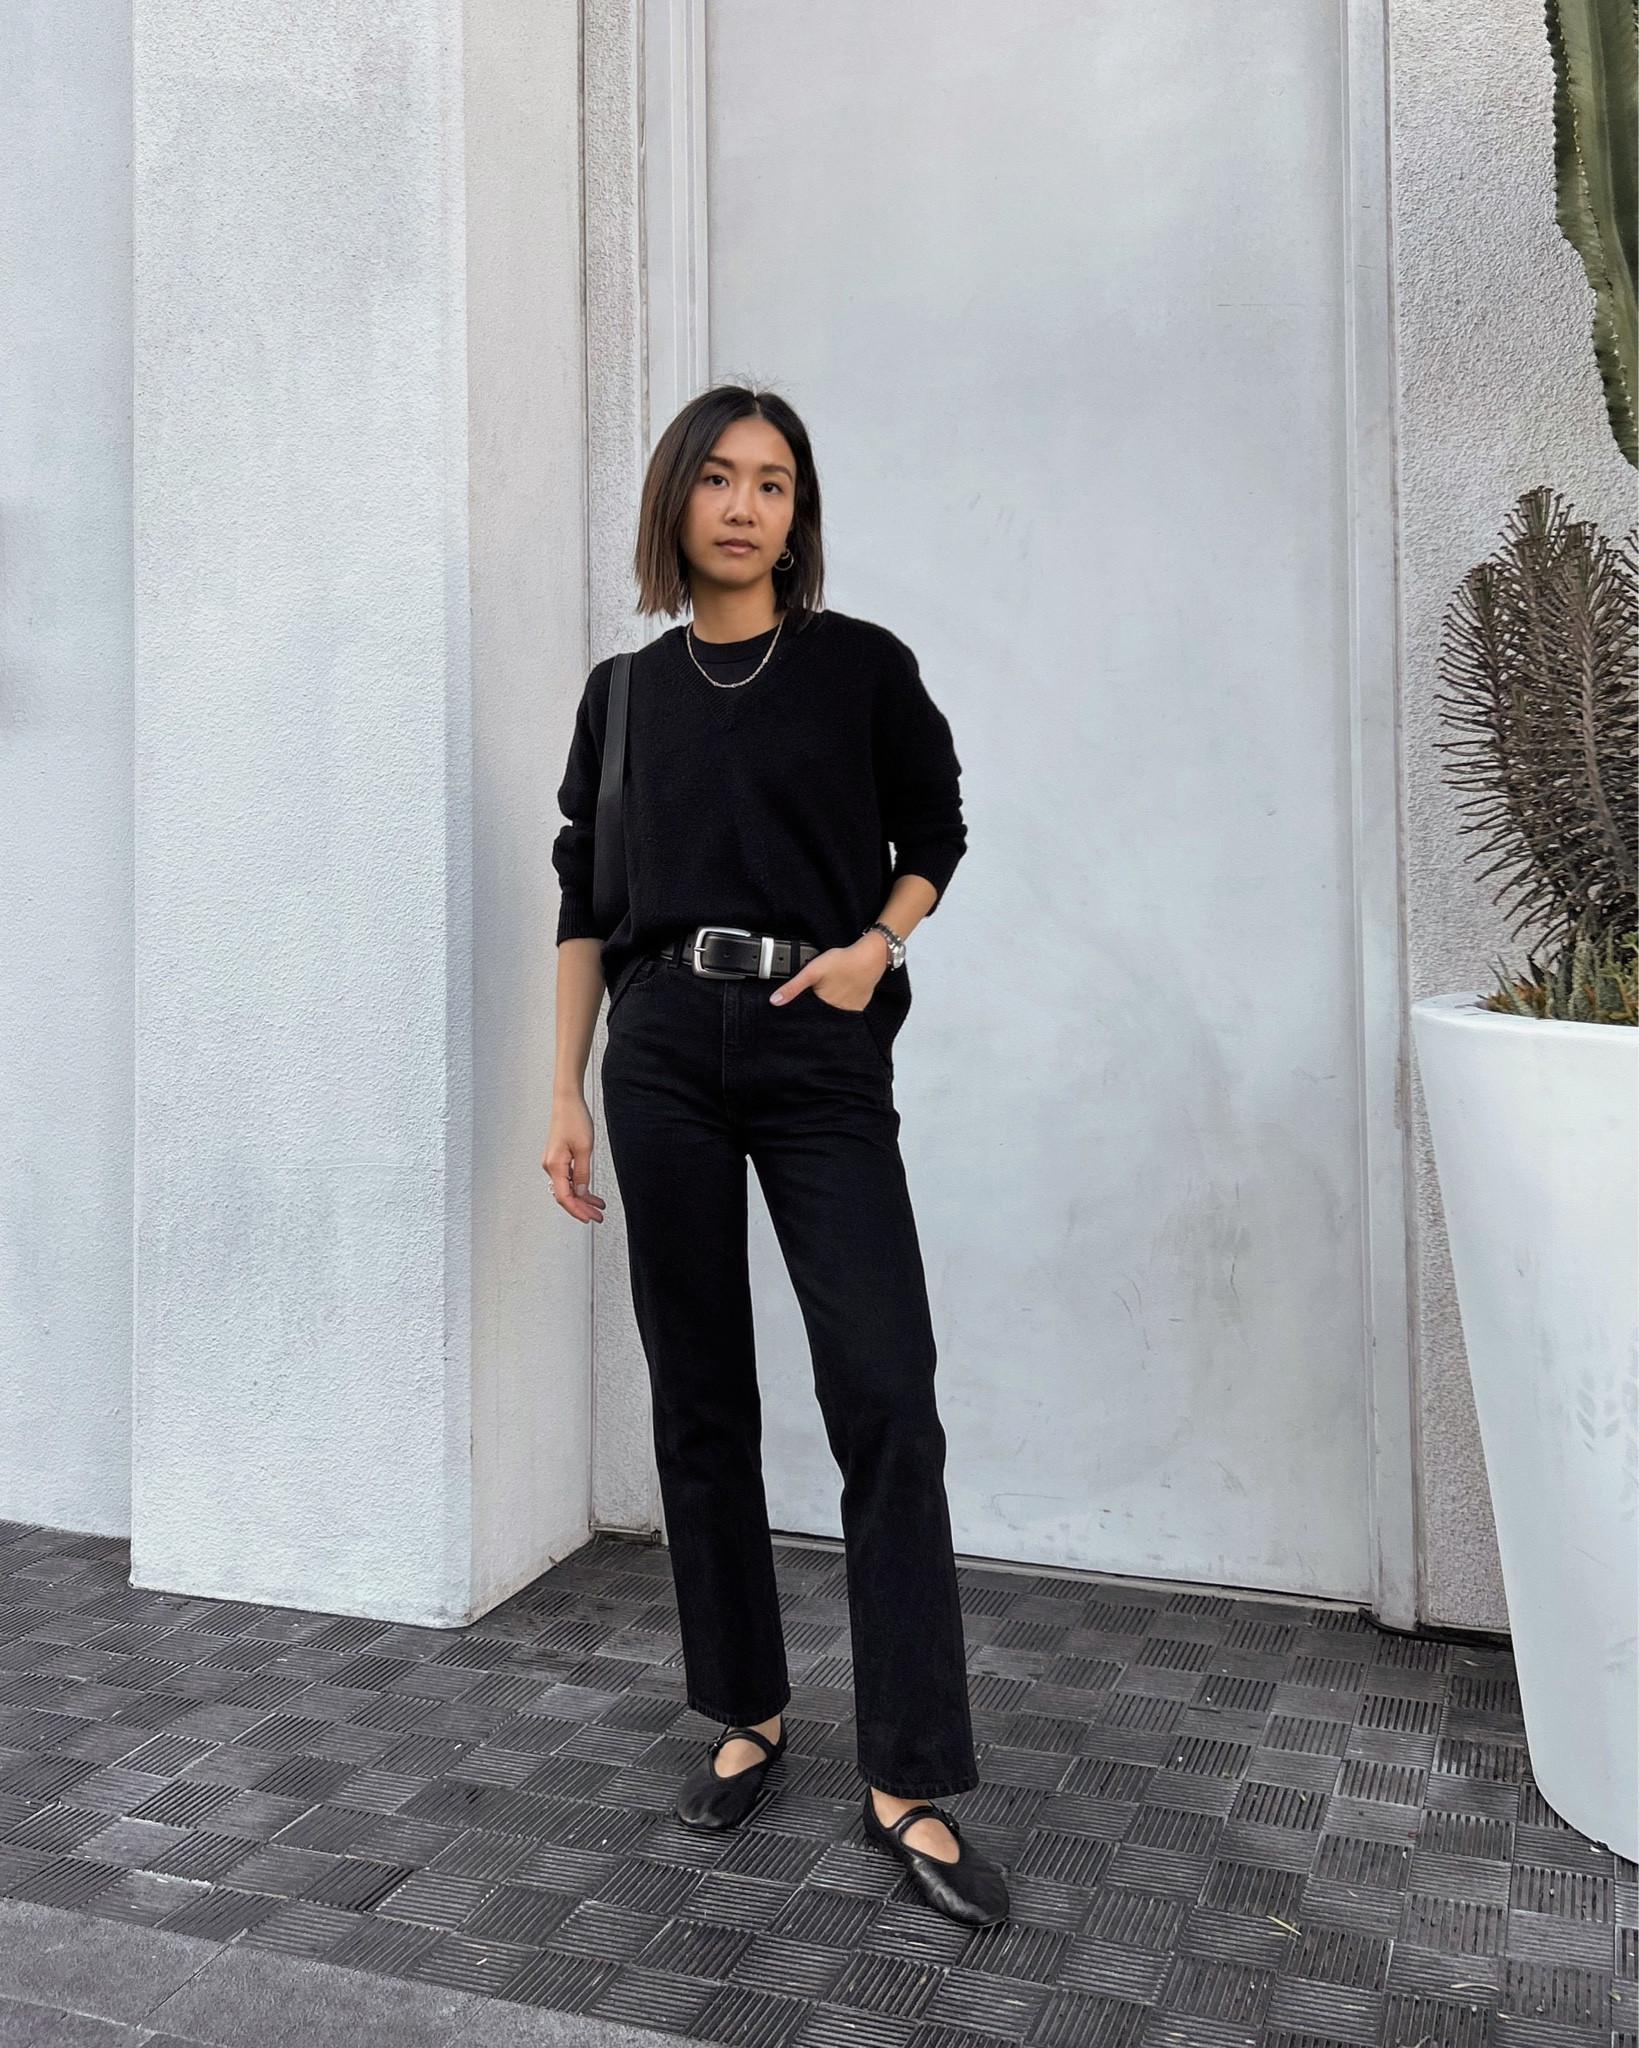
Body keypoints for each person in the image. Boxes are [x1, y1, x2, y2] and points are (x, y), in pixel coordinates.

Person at [542, 385, 1008, 1928]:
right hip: (663, 1046)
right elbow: (583, 904)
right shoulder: (623, 695)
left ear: (799, 515)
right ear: (675, 501)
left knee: (886, 1393)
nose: (746, 506)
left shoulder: (860, 667)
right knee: (701, 1396)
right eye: (721, 479)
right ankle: (746, 1708)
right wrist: (565, 1091)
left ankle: (910, 1778)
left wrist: (878, 946)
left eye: (776, 483)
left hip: (819, 1043)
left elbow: (935, 828)